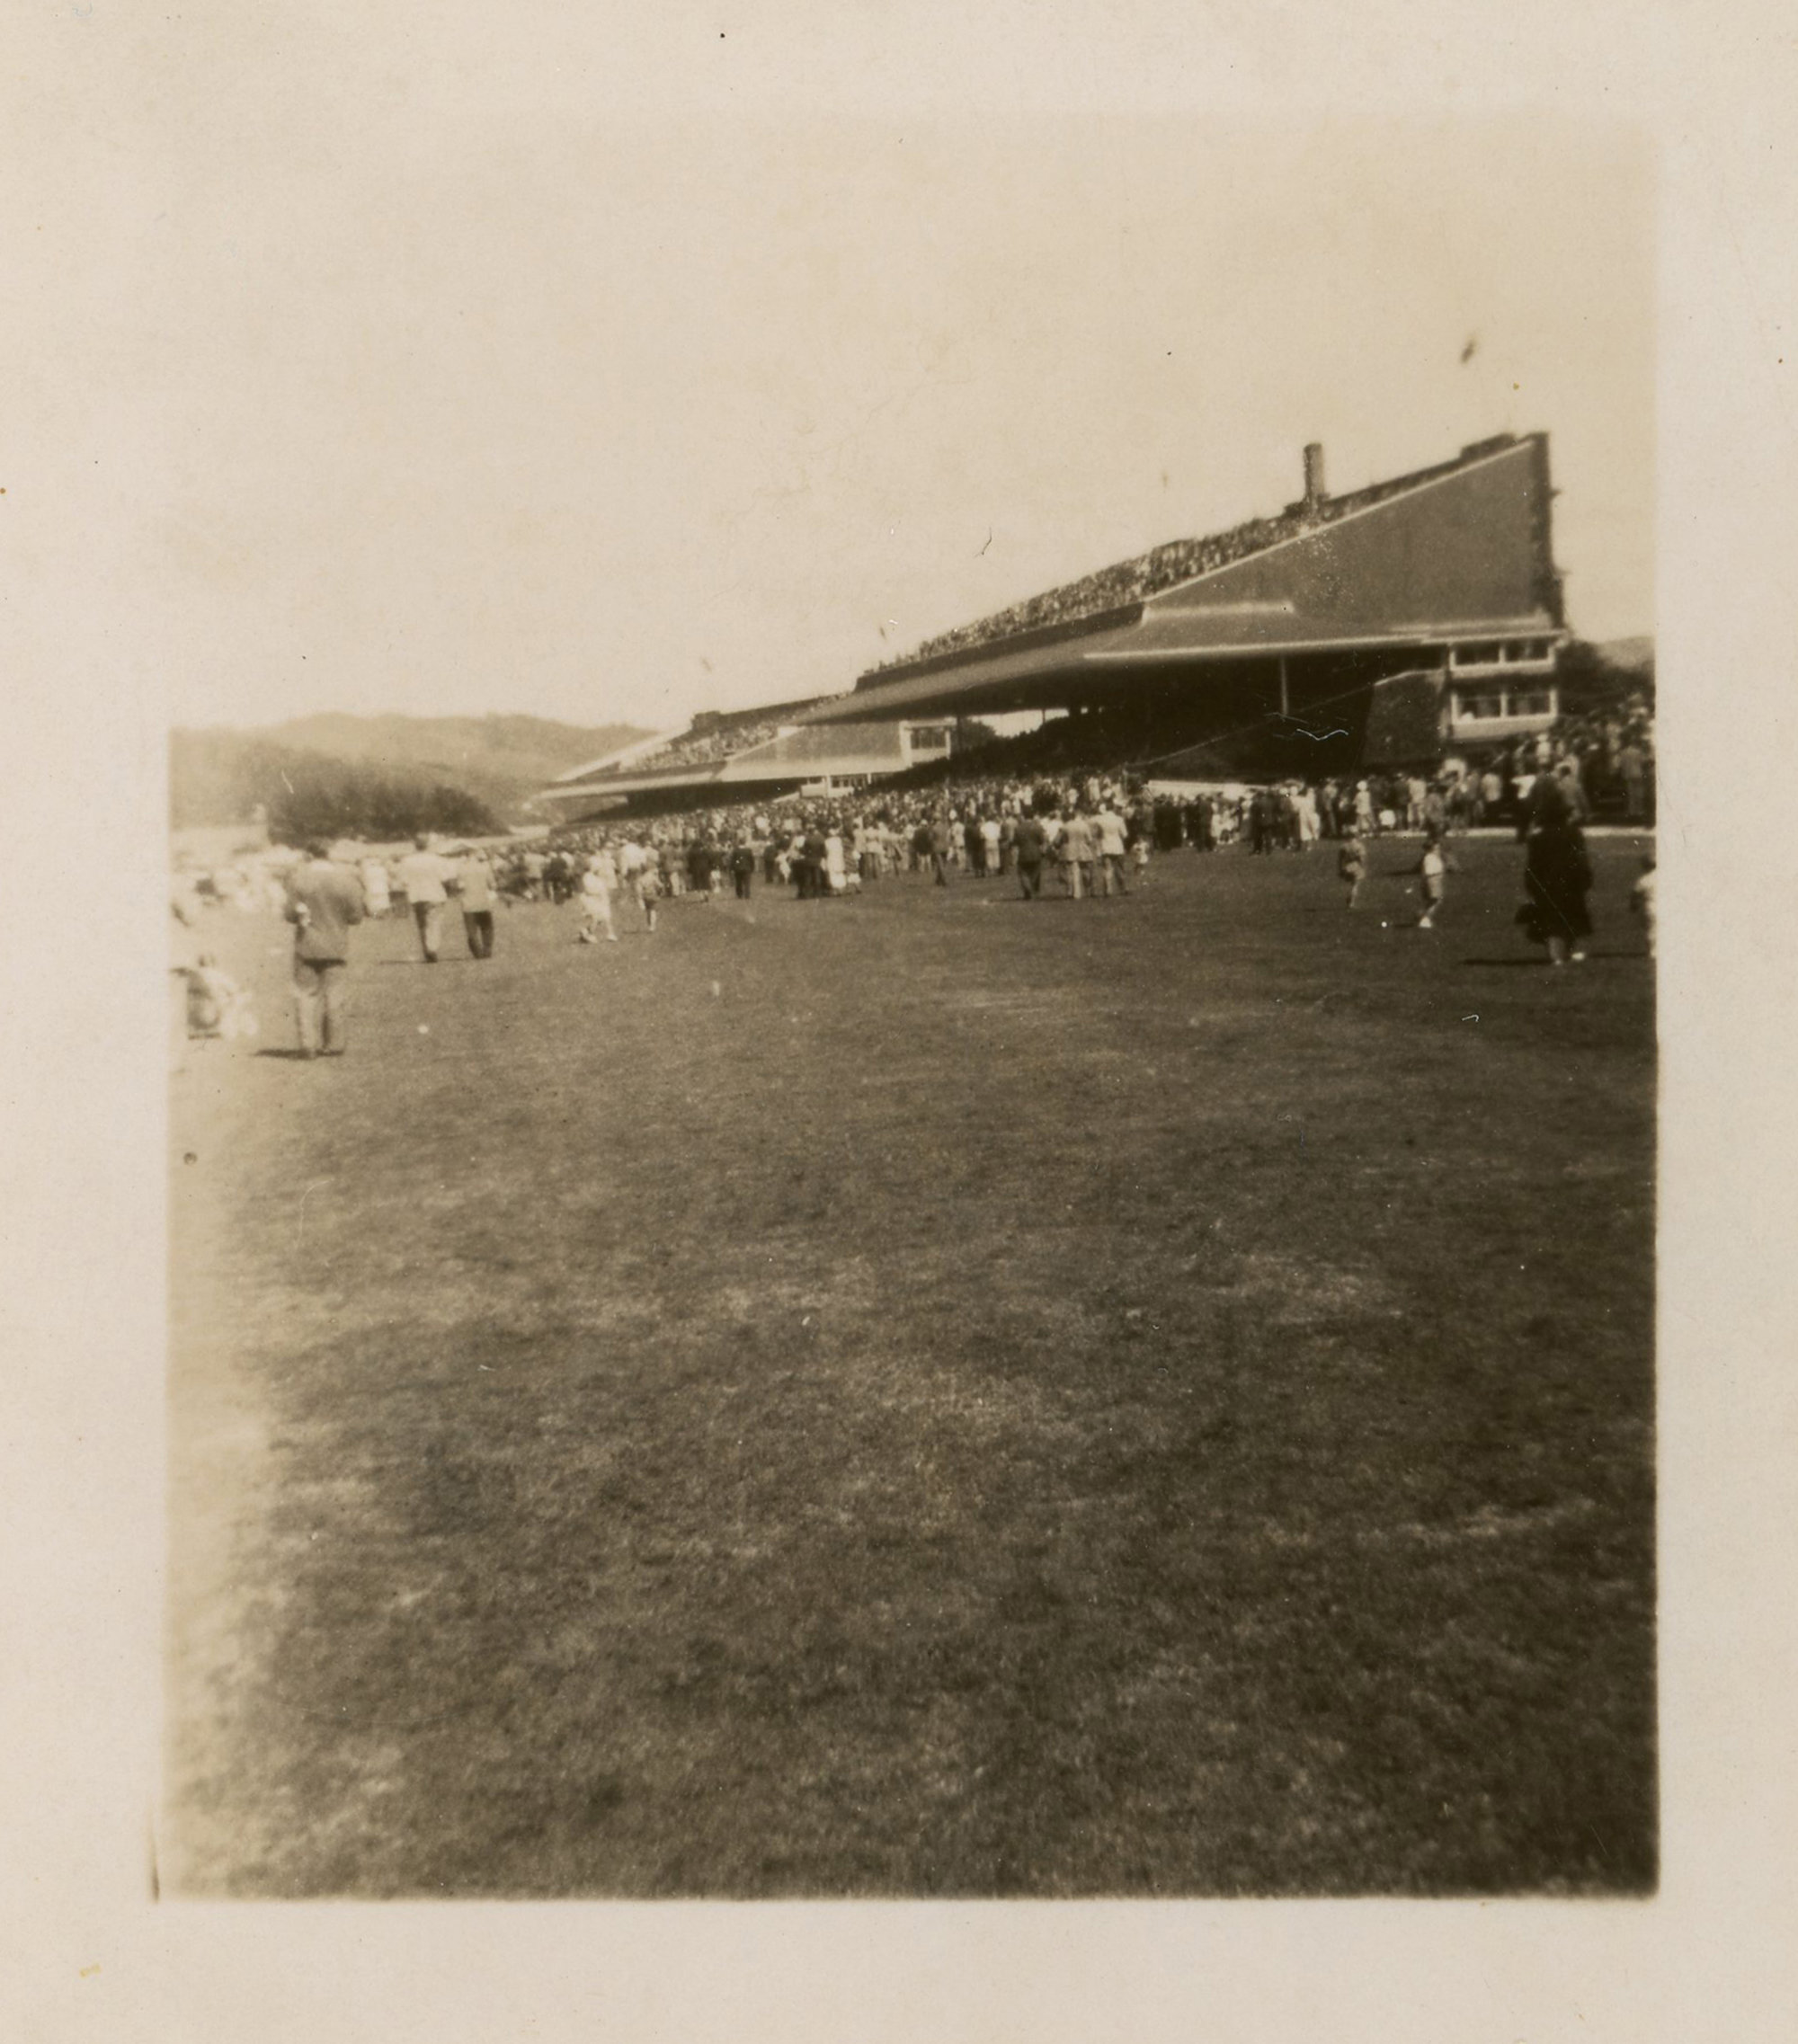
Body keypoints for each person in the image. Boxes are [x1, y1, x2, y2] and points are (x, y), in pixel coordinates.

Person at [283, 839, 365, 1056]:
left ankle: (308, 1044)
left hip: (306, 944)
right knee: (335, 995)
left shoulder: (297, 879)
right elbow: (356, 916)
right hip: (335, 944)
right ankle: (335, 1044)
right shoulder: (346, 880)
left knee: (305, 995)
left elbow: (289, 914)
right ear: (329, 854)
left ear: (309, 855)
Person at [1518, 774, 1594, 965]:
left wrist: (1531, 884)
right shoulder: (1574, 833)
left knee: (1550, 919)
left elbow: (1533, 864)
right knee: (1572, 914)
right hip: (1571, 880)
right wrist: (1585, 878)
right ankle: (1570, 950)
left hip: (1547, 882)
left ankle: (1555, 956)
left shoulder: (1538, 836)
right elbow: (1581, 858)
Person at [397, 832, 458, 962]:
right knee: (434, 923)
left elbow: (403, 880)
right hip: (435, 894)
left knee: (422, 924)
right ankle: (432, 948)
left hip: (416, 895)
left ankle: (427, 949)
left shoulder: (407, 861)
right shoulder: (437, 859)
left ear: (415, 845)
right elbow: (446, 878)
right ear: (428, 845)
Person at [1413, 824, 1456, 929]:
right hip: (1432, 880)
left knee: (1434, 900)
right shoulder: (1429, 858)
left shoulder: (1432, 857)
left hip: (1433, 880)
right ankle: (1424, 918)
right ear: (1431, 849)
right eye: (1436, 848)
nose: (1438, 850)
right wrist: (1436, 874)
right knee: (1435, 900)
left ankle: (1422, 914)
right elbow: (1428, 871)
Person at [457, 849, 497, 958]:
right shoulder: (485, 867)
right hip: (483, 901)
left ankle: (478, 952)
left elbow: (460, 886)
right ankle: (487, 949)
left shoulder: (462, 869)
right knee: (487, 927)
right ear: (475, 855)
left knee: (471, 930)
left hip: (468, 903)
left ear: (466, 855)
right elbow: (493, 885)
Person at [577, 852, 618, 943]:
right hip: (592, 900)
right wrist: (599, 893)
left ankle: (610, 933)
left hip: (601, 900)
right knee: (595, 918)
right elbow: (589, 890)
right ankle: (588, 933)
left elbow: (603, 887)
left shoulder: (597, 877)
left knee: (605, 917)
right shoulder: (587, 876)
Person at [1014, 812, 1047, 898]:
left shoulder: (1018, 828)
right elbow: (1042, 841)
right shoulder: (1038, 827)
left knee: (1023, 872)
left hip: (1023, 853)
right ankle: (1033, 890)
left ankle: (1027, 889)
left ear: (1023, 816)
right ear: (1033, 817)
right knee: (1035, 872)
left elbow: (1015, 842)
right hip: (1036, 853)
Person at [1631, 851, 1656, 957]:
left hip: (1650, 906)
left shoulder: (1644, 880)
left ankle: (1653, 952)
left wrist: (1633, 905)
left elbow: (1635, 893)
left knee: (1651, 929)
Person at [1338, 822, 1367, 910]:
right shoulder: (1359, 846)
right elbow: (1361, 858)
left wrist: (1340, 869)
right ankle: (1351, 901)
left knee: (1351, 884)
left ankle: (1349, 898)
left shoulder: (1344, 846)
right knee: (1355, 885)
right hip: (1356, 866)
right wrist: (1363, 866)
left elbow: (1340, 859)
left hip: (1347, 866)